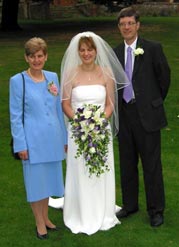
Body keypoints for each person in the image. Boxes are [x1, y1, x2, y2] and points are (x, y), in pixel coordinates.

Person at [61, 31, 129, 235]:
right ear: (78, 52)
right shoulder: (70, 74)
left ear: (95, 50)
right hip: (78, 131)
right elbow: (65, 104)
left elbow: (110, 104)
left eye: (89, 49)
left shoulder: (106, 72)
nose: (86, 53)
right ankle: (80, 211)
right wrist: (80, 122)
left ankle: (103, 209)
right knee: (80, 169)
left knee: (101, 168)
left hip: (101, 130)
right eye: (82, 50)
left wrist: (99, 122)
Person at [114, 7, 171, 227]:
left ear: (137, 25)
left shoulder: (153, 48)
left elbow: (163, 79)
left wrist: (153, 103)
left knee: (151, 165)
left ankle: (156, 209)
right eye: (122, 24)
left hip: (147, 114)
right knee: (127, 163)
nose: (126, 27)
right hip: (124, 115)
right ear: (119, 27)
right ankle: (130, 205)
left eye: (130, 23)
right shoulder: (115, 52)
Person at [9, 37, 67, 239]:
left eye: (40, 56)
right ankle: (39, 222)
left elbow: (58, 110)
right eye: (32, 56)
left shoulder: (52, 77)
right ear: (26, 58)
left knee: (49, 181)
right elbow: (15, 116)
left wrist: (65, 139)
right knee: (36, 183)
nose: (36, 60)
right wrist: (20, 144)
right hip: (32, 141)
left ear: (46, 56)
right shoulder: (18, 81)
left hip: (53, 138)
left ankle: (46, 217)